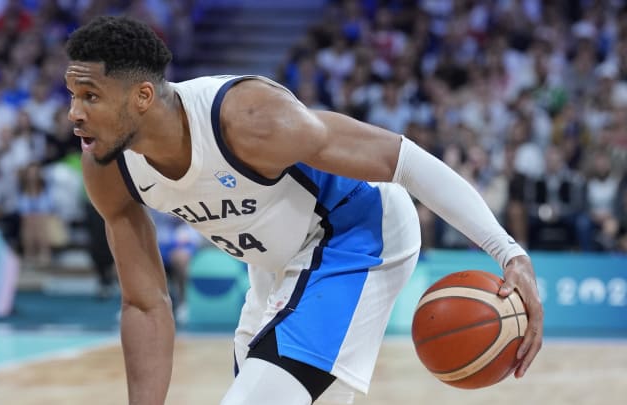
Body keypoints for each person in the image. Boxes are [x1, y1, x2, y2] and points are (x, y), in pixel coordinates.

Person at [64, 16, 544, 405]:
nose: (74, 113)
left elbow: (403, 160)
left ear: (142, 97)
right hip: (275, 266)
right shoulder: (107, 166)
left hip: (357, 235)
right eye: (73, 96)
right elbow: (146, 304)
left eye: (91, 97)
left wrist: (509, 253)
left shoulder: (248, 118)